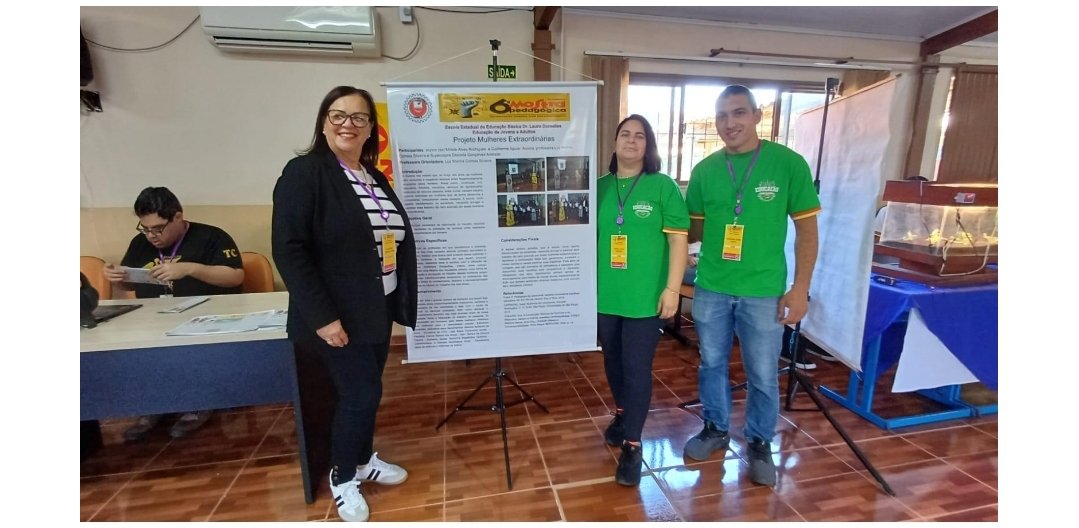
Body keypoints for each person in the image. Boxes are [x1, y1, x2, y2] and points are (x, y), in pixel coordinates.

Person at [272, 86, 417, 522]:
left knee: (368, 393)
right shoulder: (306, 173)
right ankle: (342, 478)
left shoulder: (374, 177)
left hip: (375, 308)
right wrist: (323, 317)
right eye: (338, 116)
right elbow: (289, 249)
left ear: (371, 128)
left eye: (358, 118)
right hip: (337, 317)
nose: (348, 125)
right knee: (359, 394)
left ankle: (361, 459)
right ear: (323, 122)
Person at [682, 85, 820, 487]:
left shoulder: (787, 164)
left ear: (757, 116)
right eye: (722, 115)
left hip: (765, 291)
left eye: (738, 113)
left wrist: (800, 288)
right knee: (711, 363)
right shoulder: (705, 171)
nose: (730, 123)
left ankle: (759, 441)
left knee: (762, 371)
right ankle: (715, 428)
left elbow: (807, 232)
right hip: (712, 286)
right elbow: (694, 230)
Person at [103, 186, 245, 441]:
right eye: (145, 229)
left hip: (206, 317)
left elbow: (235, 276)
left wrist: (190, 269)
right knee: (135, 348)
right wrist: (118, 278)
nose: (151, 236)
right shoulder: (139, 244)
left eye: (158, 229)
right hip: (154, 319)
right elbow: (129, 284)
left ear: (177, 217)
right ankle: (155, 407)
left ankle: (196, 404)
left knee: (188, 347)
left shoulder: (212, 237)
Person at [597, 114, 689, 486]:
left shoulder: (662, 186)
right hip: (605, 295)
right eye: (625, 134)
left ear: (648, 145)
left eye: (640, 136)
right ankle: (622, 414)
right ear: (615, 141)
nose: (632, 141)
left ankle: (633, 446)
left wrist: (672, 290)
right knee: (613, 361)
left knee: (636, 369)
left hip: (646, 299)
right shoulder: (598, 186)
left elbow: (678, 240)